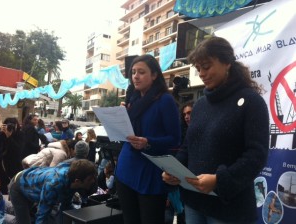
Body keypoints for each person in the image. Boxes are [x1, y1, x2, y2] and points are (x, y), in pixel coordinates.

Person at [162, 36, 269, 224]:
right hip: (194, 203)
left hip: (229, 209)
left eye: (207, 66)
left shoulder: (251, 102)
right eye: (198, 68)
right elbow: (189, 146)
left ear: (226, 62)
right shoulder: (201, 104)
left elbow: (256, 155)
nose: (202, 73)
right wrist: (175, 171)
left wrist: (220, 180)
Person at [115, 54, 181, 224]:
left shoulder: (165, 100)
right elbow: (126, 136)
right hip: (125, 169)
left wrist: (148, 142)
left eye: (141, 72)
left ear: (154, 75)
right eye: (133, 72)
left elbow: (175, 139)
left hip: (149, 173)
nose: (135, 76)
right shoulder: (133, 99)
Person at [9, 159, 97, 224]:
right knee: (24, 220)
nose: (93, 181)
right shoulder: (54, 185)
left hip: (35, 182)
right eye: (89, 179)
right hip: (19, 187)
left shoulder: (75, 174)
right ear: (77, 181)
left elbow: (66, 207)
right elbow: (42, 215)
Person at [0, 117, 24, 194]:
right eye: (8, 125)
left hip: (14, 165)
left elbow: (18, 150)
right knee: (2, 187)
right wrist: (1, 133)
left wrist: (9, 136)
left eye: (12, 125)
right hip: (1, 165)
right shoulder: (1, 133)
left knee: (13, 187)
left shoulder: (20, 134)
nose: (10, 127)